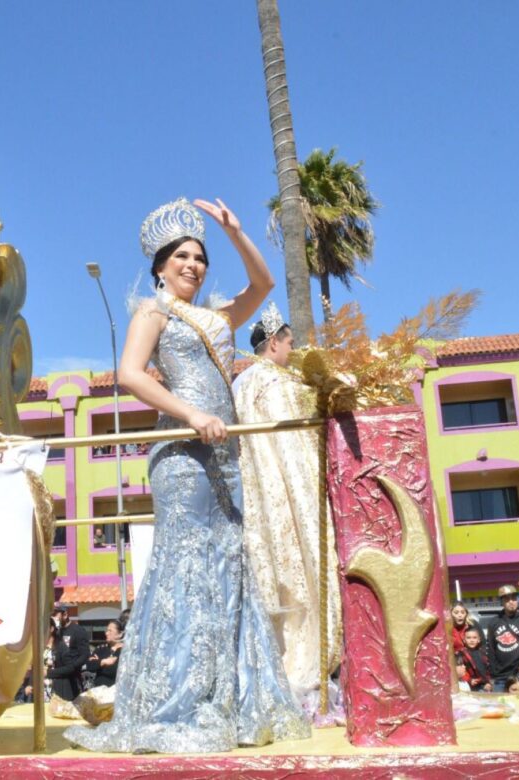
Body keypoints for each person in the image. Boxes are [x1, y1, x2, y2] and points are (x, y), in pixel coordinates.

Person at [66, 197, 308, 753]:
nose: (193, 264)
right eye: (182, 255)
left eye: (200, 257)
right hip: (182, 452)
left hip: (226, 456)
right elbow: (128, 374)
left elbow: (265, 284)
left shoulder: (218, 317)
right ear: (160, 265)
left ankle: (230, 699)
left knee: (229, 566)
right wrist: (191, 413)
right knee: (187, 566)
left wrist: (237, 233)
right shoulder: (154, 311)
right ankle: (179, 699)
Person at [233, 301, 341, 703]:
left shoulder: (243, 383)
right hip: (287, 495)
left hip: (259, 501)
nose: (293, 350)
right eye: (290, 342)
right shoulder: (277, 384)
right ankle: (303, 664)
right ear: (274, 343)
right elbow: (297, 445)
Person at [47, 605, 88, 701]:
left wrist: (72, 667)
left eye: (55, 614)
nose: (53, 617)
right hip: (56, 677)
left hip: (72, 678)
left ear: (65, 615)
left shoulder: (78, 631)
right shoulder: (57, 632)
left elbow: (85, 654)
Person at [86, 620, 124, 689]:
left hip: (116, 693)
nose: (106, 633)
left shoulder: (124, 652)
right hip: (99, 692)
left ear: (120, 634)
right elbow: (89, 665)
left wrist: (98, 663)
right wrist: (103, 662)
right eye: (106, 630)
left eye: (110, 631)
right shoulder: (101, 649)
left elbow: (115, 671)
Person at [454, 626, 491, 692]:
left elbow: (487, 669)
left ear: (479, 639)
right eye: (468, 638)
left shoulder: (483, 653)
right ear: (464, 640)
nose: (471, 640)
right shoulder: (460, 654)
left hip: (484, 684)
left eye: (474, 638)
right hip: (469, 686)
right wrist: (469, 680)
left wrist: (488, 682)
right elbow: (460, 671)